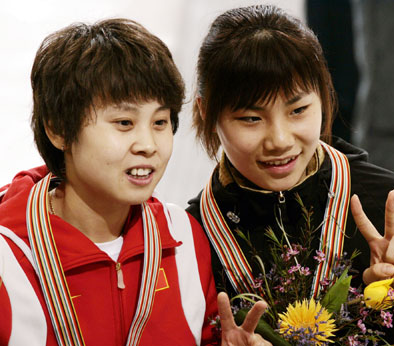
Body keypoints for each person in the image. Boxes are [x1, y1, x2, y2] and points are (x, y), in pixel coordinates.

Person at [0, 18, 270, 346]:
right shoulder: (9, 257)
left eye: (160, 122)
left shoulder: (183, 237)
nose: (148, 144)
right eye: (124, 122)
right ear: (58, 129)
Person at [186, 4, 394, 343]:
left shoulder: (389, 206)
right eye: (251, 119)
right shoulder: (190, 240)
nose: (280, 141)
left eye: (298, 110)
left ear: (325, 95)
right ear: (206, 111)